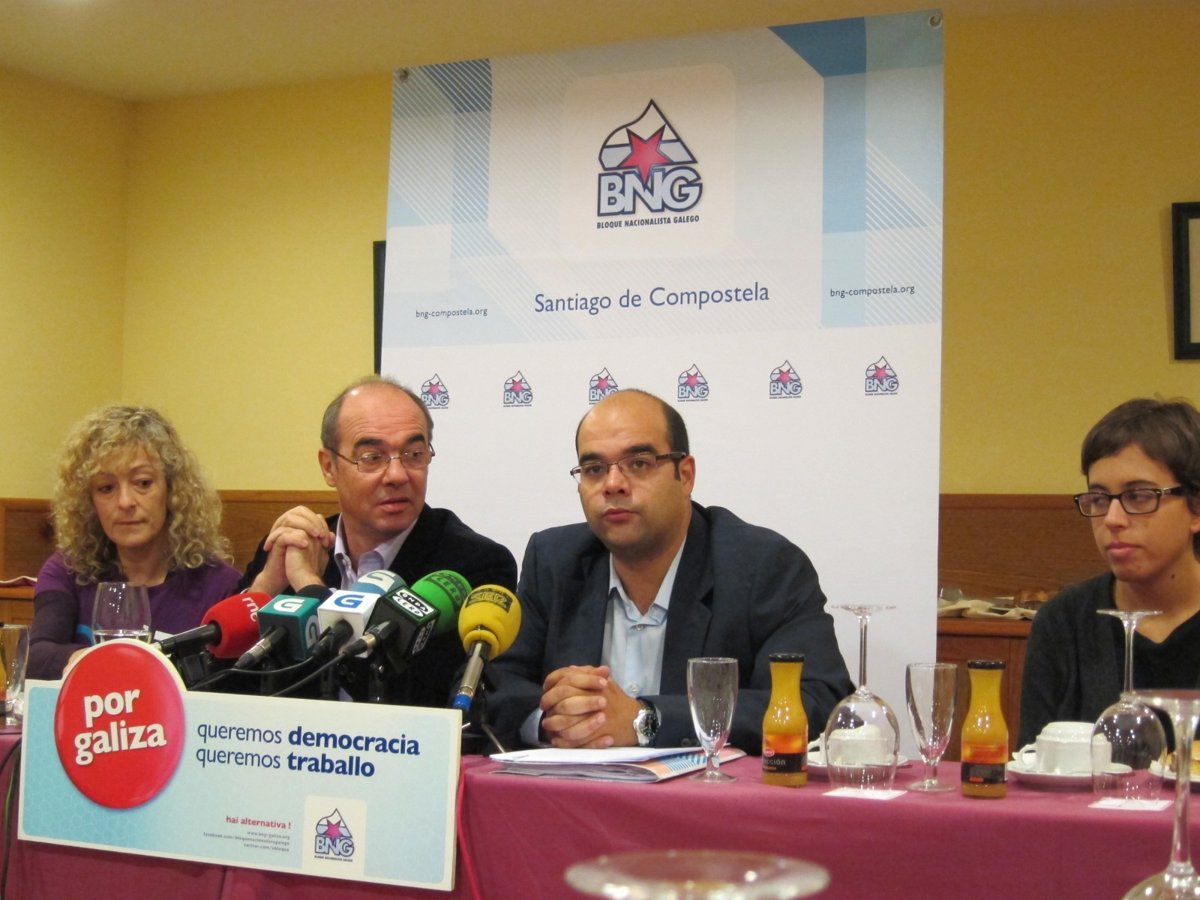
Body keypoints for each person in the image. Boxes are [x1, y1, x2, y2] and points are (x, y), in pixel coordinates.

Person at [484, 388, 853, 751]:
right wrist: (555, 720)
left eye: (639, 463)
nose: (613, 485)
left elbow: (815, 699)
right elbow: (494, 686)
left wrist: (645, 720)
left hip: (701, 792)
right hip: (570, 791)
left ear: (685, 475)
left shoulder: (764, 567)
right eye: (594, 469)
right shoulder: (553, 561)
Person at [239, 375, 517, 706]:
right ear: (329, 467)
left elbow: (414, 695)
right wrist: (265, 586)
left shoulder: (472, 566)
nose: (398, 475)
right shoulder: (295, 549)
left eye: (414, 454)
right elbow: (223, 681)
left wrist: (311, 589)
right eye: (372, 457)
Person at [1019, 397, 1200, 746]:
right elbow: (1032, 764)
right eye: (1099, 499)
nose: (1113, 519)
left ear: (1195, 509)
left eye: (1139, 496)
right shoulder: (1063, 621)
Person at [30, 406, 241, 679]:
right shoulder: (68, 570)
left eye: (143, 483)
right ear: (89, 501)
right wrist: (104, 661)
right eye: (106, 488)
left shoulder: (220, 585)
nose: (125, 502)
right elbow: (36, 656)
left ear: (172, 489)